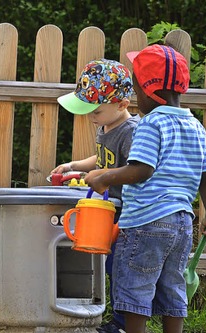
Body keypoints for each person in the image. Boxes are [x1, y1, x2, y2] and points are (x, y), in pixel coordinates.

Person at [85, 44, 206, 333]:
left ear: (148, 92)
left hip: (146, 222)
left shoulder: (150, 124)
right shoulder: (195, 125)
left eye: (136, 90)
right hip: (182, 223)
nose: (134, 97)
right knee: (172, 286)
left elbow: (141, 171)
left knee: (135, 287)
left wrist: (104, 177)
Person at [51, 58, 138, 333]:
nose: (91, 117)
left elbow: (137, 169)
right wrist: (73, 165)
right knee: (108, 263)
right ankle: (113, 315)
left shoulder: (131, 131)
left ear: (122, 105)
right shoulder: (106, 126)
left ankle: (123, 323)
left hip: (128, 211)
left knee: (122, 266)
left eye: (96, 111)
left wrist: (104, 177)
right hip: (108, 207)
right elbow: (101, 159)